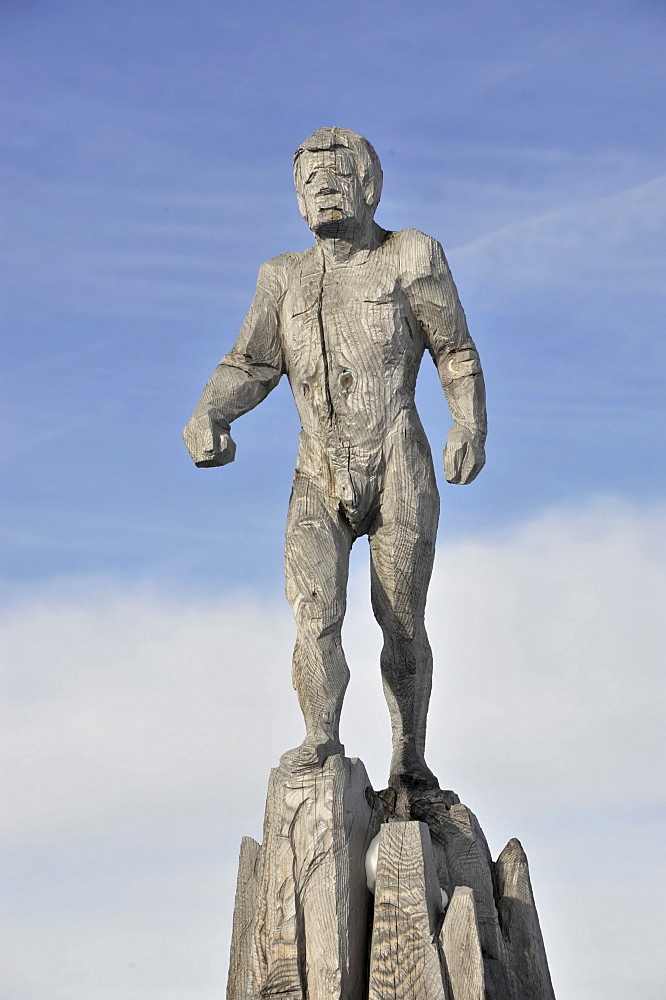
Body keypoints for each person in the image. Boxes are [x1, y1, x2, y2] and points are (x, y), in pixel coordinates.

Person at [183, 127, 486, 798]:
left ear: (368, 186)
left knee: (400, 619)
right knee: (313, 608)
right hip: (316, 469)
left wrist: (469, 424)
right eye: (309, 182)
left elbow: (455, 350)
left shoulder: (411, 256)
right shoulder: (282, 278)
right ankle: (321, 737)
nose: (322, 188)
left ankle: (409, 760)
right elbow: (253, 363)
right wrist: (211, 412)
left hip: (397, 458)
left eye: (336, 177)